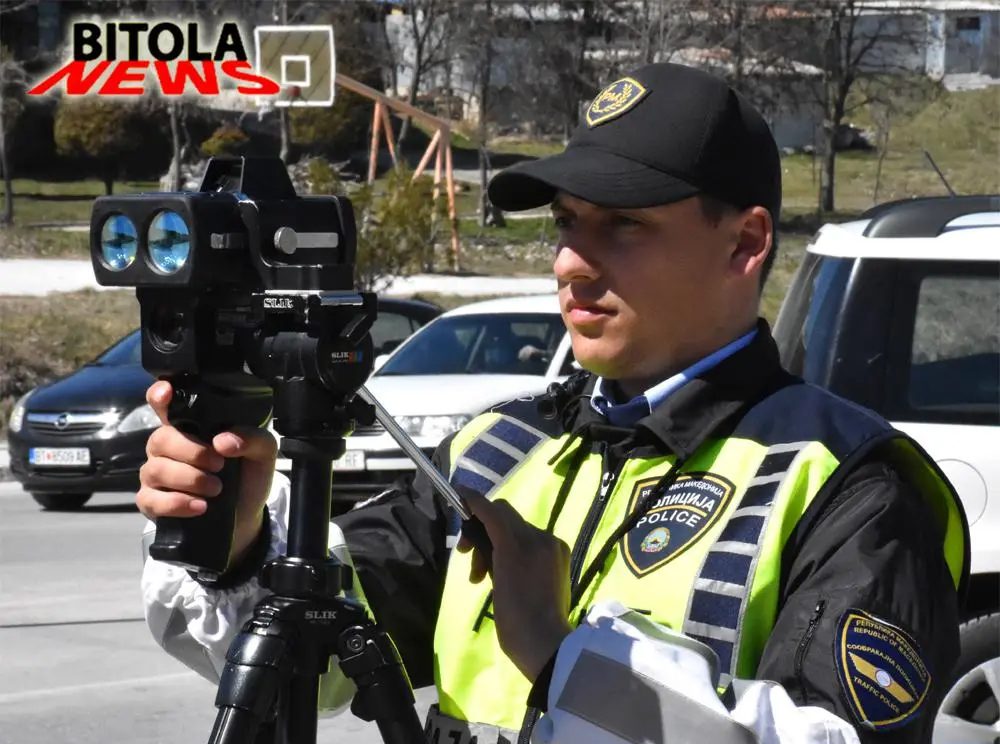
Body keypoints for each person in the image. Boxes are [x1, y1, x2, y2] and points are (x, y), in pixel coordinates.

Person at [138, 63, 968, 744]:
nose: (571, 261)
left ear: (745, 243)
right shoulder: (499, 448)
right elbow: (314, 665)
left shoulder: (849, 487)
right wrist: (240, 543)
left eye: (623, 225)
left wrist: (564, 660)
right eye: (567, 222)